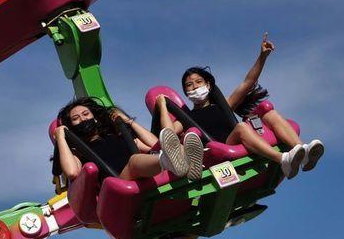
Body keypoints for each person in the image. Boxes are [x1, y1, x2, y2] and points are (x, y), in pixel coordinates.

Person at [156, 33, 323, 179]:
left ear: (208, 85)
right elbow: (168, 134)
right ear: (185, 92)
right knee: (242, 127)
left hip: (238, 139)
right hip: (220, 147)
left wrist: (262, 56)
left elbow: (248, 83)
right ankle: (282, 160)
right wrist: (163, 105)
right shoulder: (188, 118)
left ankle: (302, 150)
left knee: (269, 113)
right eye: (189, 85)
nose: (194, 87)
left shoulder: (224, 105)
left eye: (198, 82)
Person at [54, 97, 203, 181]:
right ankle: (171, 162)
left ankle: (190, 167)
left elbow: (155, 144)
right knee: (134, 162)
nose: (82, 119)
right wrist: (61, 136)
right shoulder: (78, 153)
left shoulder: (117, 136)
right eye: (76, 118)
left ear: (96, 118)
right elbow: (72, 172)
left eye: (86, 114)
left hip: (145, 175)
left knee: (178, 147)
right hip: (117, 184)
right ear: (71, 126)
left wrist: (128, 121)